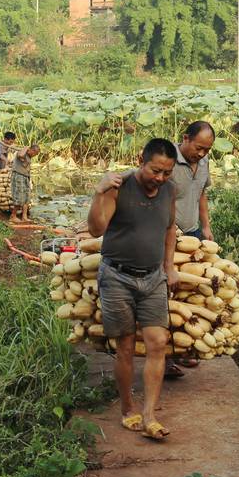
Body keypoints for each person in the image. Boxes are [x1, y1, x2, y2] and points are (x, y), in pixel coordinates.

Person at [87, 138, 179, 441]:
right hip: (117, 277)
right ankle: (128, 409)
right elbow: (96, 229)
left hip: (153, 278)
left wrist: (170, 266)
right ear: (142, 160)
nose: (160, 178)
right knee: (125, 346)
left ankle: (150, 413)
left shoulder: (169, 190)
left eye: (167, 172)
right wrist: (98, 193)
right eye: (155, 171)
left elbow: (169, 229)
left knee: (157, 341)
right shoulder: (119, 186)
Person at [164, 120, 215, 378]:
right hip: (167, 235)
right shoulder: (167, 161)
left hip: (192, 234)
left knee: (189, 295)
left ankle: (184, 350)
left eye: (207, 149)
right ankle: (165, 358)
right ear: (185, 138)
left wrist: (206, 227)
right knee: (167, 296)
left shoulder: (204, 163)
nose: (202, 154)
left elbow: (201, 195)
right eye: (198, 147)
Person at [9, 144, 39, 224]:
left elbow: (27, 167)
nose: (34, 156)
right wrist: (25, 147)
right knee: (19, 197)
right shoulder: (22, 152)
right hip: (18, 176)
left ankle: (24, 217)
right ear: (32, 150)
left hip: (25, 177)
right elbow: (20, 155)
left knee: (26, 198)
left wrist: (29, 179)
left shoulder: (29, 157)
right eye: (34, 153)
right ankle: (13, 216)